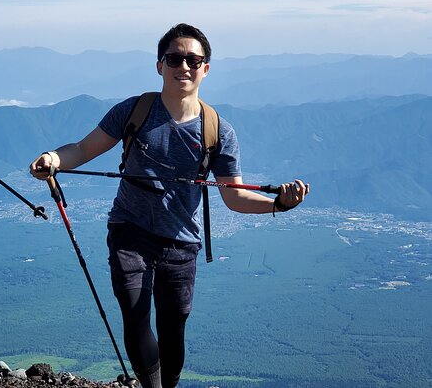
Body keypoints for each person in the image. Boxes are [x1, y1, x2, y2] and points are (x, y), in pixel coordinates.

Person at [30, 23, 310, 388]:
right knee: (134, 315)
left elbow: (234, 196)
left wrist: (279, 205)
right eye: (175, 58)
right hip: (129, 231)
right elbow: (84, 150)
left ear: (206, 68)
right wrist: (53, 158)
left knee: (173, 329)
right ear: (160, 65)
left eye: (194, 60)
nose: (185, 66)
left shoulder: (218, 131)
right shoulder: (135, 111)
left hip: (181, 243)